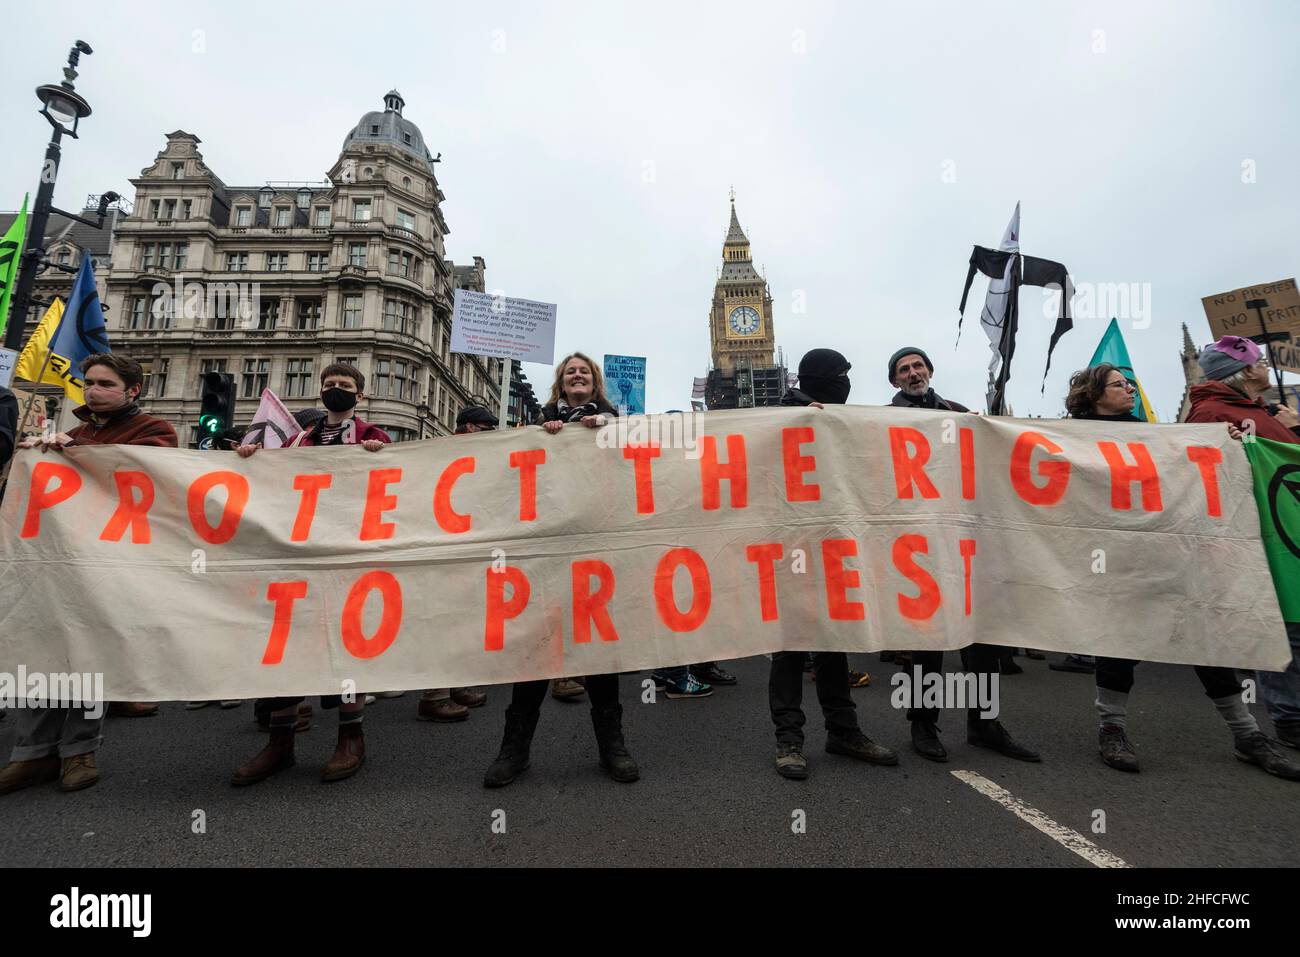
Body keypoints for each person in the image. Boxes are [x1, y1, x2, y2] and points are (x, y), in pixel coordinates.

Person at [0, 353, 178, 795]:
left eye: (104, 384)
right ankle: (32, 753)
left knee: (89, 650)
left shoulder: (154, 430)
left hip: (113, 561)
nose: (92, 390)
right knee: (41, 647)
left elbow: (151, 471)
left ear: (131, 391)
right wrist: (37, 458)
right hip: (58, 561)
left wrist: (77, 454)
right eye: (89, 382)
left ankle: (79, 750)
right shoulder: (74, 433)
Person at [230, 363, 389, 785]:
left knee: (343, 640)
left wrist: (380, 457)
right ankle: (280, 744)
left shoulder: (373, 437)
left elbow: (393, 481)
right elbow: (271, 482)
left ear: (361, 395)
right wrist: (253, 459)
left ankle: (350, 738)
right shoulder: (300, 439)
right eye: (330, 385)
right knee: (286, 641)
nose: (336, 391)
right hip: (297, 552)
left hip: (346, 553)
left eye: (345, 386)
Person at [483, 352, 638, 787]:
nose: (577, 376)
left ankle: (613, 746)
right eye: (570, 372)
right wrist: (545, 436)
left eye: (584, 372)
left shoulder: (616, 423)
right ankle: (514, 750)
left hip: (595, 551)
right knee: (538, 648)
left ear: (595, 382)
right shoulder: (538, 425)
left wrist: (606, 435)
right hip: (546, 553)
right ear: (560, 382)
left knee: (598, 651)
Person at [886, 346, 1040, 764]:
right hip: (919, 548)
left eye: (918, 366)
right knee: (928, 644)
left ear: (930, 371)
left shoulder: (961, 413)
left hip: (966, 544)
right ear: (895, 381)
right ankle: (923, 724)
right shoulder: (884, 420)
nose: (913, 372)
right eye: (904, 369)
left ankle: (984, 725)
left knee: (981, 641)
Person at [768, 348, 899, 780]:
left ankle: (844, 732)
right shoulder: (785, 414)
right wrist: (804, 411)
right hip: (791, 549)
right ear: (819, 380)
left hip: (834, 548)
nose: (846, 381)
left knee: (833, 643)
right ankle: (789, 739)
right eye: (840, 374)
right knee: (789, 648)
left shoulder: (842, 420)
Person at [1186, 337, 1300, 768]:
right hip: (1261, 538)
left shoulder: (1264, 413)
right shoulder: (1213, 415)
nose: (1267, 366)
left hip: (1288, 534)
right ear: (1246, 371)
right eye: (1259, 362)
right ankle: (1289, 719)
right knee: (1285, 628)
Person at [416, 405, 493, 721]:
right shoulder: (444, 454)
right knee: (443, 623)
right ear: (473, 429)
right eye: (488, 429)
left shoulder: (477, 459)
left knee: (462, 623)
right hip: (444, 554)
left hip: (468, 552)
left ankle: (455, 685)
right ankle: (434, 696)